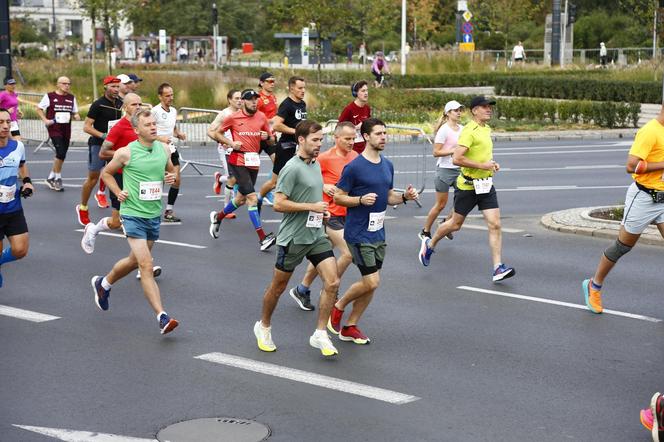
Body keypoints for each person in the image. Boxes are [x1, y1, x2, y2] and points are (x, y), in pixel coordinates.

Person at [327, 118, 418, 344]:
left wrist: (405, 197)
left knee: (371, 284)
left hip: (378, 232)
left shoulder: (387, 165)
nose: (384, 137)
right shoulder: (355, 167)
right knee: (372, 281)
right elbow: (337, 196)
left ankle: (350, 326)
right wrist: (359, 200)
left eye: (385, 133)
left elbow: (388, 197)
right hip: (358, 233)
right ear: (366, 137)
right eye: (378, 133)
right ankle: (337, 308)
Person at [253, 120, 340, 356]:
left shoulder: (314, 164)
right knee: (278, 287)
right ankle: (263, 326)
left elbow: (312, 193)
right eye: (315, 140)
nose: (319, 144)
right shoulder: (291, 168)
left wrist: (321, 211)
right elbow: (278, 203)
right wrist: (310, 206)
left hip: (316, 235)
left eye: (321, 140)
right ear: (301, 140)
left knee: (332, 282)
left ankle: (320, 333)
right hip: (293, 238)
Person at [91, 109, 179, 335]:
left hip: (152, 214)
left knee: (133, 262)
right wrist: (118, 192)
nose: (153, 127)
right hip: (131, 215)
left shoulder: (163, 149)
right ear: (136, 129)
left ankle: (104, 283)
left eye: (153, 123)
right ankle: (162, 316)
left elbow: (169, 172)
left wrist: (169, 177)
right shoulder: (125, 153)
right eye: (147, 124)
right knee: (146, 266)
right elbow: (106, 174)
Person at [418, 96, 516, 283]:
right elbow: (456, 159)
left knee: (495, 224)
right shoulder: (468, 131)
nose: (489, 109)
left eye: (490, 107)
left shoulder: (486, 129)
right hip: (468, 186)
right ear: (474, 110)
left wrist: (491, 165)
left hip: (486, 185)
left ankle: (497, 268)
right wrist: (483, 165)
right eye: (484, 107)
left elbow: (482, 156)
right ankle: (429, 244)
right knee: (455, 225)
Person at [582, 105, 664, 314]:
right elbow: (631, 166)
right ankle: (594, 284)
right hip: (644, 198)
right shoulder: (650, 131)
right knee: (622, 247)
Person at [288, 121, 358, 311]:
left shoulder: (355, 157)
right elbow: (310, 177)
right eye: (347, 139)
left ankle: (302, 288)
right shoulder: (324, 158)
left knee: (322, 256)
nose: (351, 142)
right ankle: (331, 288)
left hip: (348, 214)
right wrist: (324, 186)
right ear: (336, 139)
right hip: (330, 215)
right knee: (349, 253)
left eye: (354, 138)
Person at [208, 89, 277, 251]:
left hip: (253, 161)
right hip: (237, 160)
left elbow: (272, 139)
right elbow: (217, 133)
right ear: (244, 102)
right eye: (250, 99)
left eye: (256, 99)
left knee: (240, 199)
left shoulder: (261, 117)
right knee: (252, 198)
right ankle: (262, 239)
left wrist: (268, 137)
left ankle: (218, 217)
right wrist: (231, 143)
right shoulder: (233, 117)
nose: (254, 102)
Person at [77, 76, 123, 225]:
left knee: (116, 177)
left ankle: (118, 214)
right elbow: (86, 126)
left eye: (118, 87)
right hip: (97, 144)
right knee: (93, 178)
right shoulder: (98, 104)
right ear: (105, 87)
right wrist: (103, 135)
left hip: (113, 147)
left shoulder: (120, 104)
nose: (116, 90)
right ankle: (83, 207)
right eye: (113, 87)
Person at [258, 76, 307, 212]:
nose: (303, 91)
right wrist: (296, 131)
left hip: (299, 148)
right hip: (285, 147)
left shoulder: (302, 104)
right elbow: (277, 125)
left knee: (300, 176)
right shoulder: (287, 104)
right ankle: (259, 199)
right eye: (300, 88)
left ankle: (295, 203)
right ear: (291, 88)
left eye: (304, 88)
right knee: (274, 182)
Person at [419, 100, 464, 241]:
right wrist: (453, 151)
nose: (459, 113)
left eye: (460, 110)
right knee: (441, 205)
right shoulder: (444, 130)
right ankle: (425, 231)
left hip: (460, 170)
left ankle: (446, 223)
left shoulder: (462, 129)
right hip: (444, 171)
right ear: (448, 113)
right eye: (455, 110)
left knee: (462, 202)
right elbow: (436, 152)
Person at [0, 108, 34, 288]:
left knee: (20, 250)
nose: (5, 126)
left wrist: (27, 181)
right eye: (0, 123)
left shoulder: (18, 146)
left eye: (8, 122)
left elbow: (22, 165)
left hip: (13, 207)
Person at [36, 76, 80, 191]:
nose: (67, 86)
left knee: (62, 155)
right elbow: (39, 108)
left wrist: (76, 115)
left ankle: (50, 177)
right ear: (58, 84)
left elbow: (75, 112)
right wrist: (45, 120)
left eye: (69, 84)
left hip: (66, 129)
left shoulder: (71, 98)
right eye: (64, 83)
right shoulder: (50, 96)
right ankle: (57, 179)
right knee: (60, 153)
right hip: (54, 129)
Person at [151, 83, 187, 222]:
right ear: (160, 96)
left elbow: (172, 126)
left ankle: (168, 211)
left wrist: (178, 134)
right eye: (167, 96)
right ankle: (152, 210)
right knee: (159, 181)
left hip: (171, 148)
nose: (171, 98)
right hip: (158, 149)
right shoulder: (155, 111)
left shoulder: (173, 110)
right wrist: (161, 138)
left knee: (176, 180)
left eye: (172, 95)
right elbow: (148, 131)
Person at [207, 89, 241, 218]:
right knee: (232, 179)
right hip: (226, 150)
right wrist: (221, 141)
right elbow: (210, 131)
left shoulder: (243, 113)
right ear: (229, 100)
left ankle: (219, 179)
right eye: (236, 98)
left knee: (235, 178)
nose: (239, 101)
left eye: (241, 98)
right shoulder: (224, 114)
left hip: (239, 149)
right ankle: (226, 208)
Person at [256, 72, 278, 207]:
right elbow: (253, 117)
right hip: (258, 137)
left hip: (270, 137)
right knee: (247, 166)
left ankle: (268, 192)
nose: (272, 84)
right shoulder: (258, 99)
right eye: (269, 81)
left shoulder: (274, 97)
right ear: (262, 83)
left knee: (278, 164)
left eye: (273, 81)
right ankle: (235, 189)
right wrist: (269, 121)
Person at [338, 80, 371, 154]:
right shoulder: (349, 109)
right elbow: (339, 128)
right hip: (352, 149)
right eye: (363, 91)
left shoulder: (367, 108)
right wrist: (355, 128)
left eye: (366, 90)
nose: (366, 93)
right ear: (356, 93)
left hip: (365, 149)